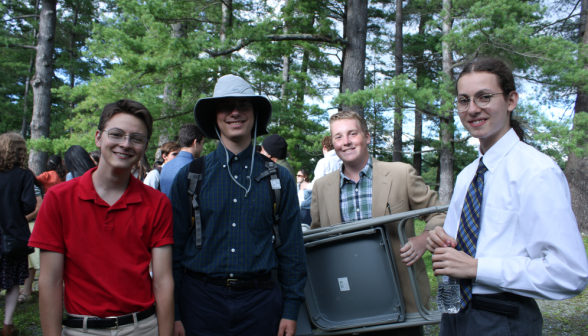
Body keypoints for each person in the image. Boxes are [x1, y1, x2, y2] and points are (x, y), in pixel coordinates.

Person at [427, 58, 588, 336]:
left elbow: (568, 273)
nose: (473, 109)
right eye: (463, 100)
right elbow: (457, 256)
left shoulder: (537, 172)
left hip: (501, 319)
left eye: (484, 97)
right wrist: (440, 241)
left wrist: (478, 268)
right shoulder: (468, 175)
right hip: (453, 316)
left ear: (511, 100)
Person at [169, 74, 307, 336]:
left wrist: (291, 309)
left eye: (243, 105)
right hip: (199, 305)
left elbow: (292, 250)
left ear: (255, 114)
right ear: (214, 116)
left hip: (261, 306)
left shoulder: (279, 178)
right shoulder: (190, 176)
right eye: (225, 106)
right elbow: (173, 251)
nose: (235, 113)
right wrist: (174, 312)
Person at [30, 99, 175, 336]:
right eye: (117, 134)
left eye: (137, 138)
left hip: (143, 326)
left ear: (145, 146)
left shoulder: (157, 203)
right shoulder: (59, 198)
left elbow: (163, 280)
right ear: (99, 138)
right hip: (82, 328)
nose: (126, 144)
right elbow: (50, 281)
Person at [310, 110, 446, 336]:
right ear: (332, 143)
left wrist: (424, 239)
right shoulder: (321, 187)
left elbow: (440, 213)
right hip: (347, 300)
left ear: (367, 136)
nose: (346, 142)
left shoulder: (401, 173)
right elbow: (316, 244)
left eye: (352, 134)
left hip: (402, 300)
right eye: (338, 137)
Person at [0, 132, 36, 335]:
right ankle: (7, 324)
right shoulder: (24, 175)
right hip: (13, 236)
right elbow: (29, 205)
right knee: (13, 282)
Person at [160, 124, 205, 196]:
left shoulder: (165, 166)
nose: (202, 148)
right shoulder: (196, 167)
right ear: (195, 142)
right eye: (202, 143)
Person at [20, 179, 44, 304]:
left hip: (30, 224)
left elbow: (39, 206)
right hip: (17, 226)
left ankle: (27, 290)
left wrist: (23, 219)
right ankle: (25, 289)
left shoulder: (30, 185)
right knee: (25, 260)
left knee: (31, 260)